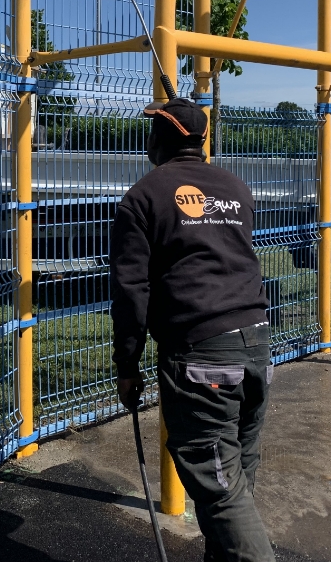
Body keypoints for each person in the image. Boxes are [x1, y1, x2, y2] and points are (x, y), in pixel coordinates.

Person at [110, 97, 274, 562]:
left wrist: (126, 365)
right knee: (234, 481)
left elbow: (131, 291)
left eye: (151, 131)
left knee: (221, 492)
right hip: (257, 345)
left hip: (203, 357)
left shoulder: (143, 197)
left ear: (160, 138)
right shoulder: (235, 188)